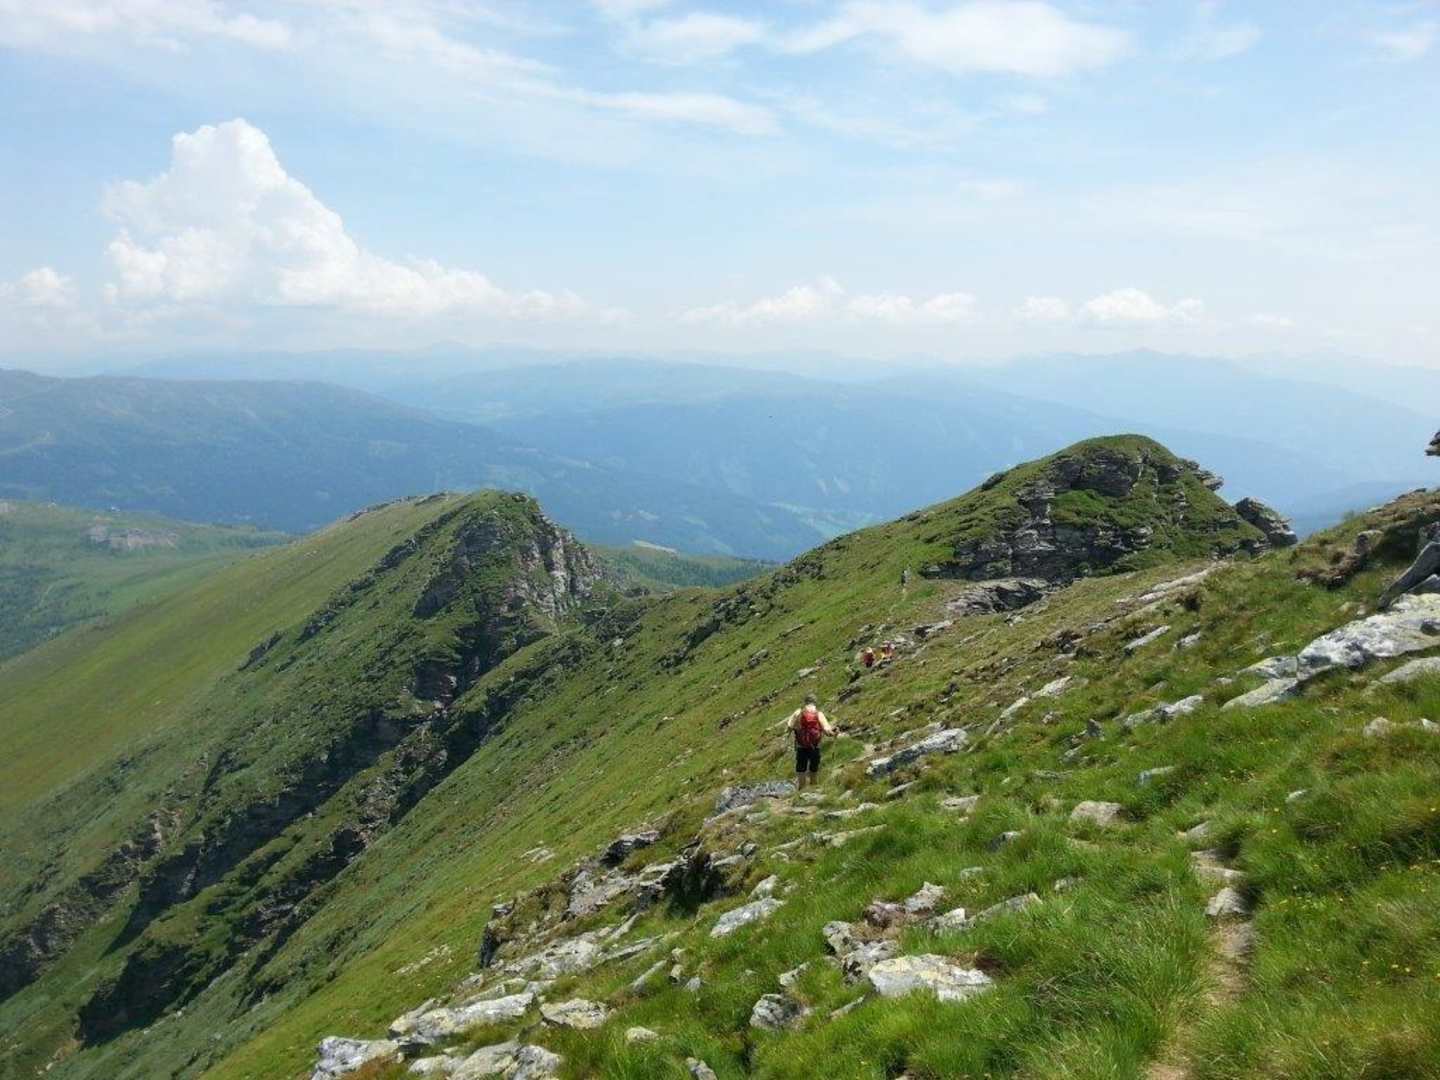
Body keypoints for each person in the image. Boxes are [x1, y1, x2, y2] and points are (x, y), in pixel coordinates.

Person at [787, 693, 837, 789]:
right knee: (814, 768)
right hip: (815, 745)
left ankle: (801, 789)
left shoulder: (798, 712)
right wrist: (833, 733)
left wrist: (791, 731)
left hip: (801, 745)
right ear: (815, 702)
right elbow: (827, 729)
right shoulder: (818, 714)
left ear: (805, 702)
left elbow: (789, 725)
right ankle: (813, 788)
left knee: (801, 768)